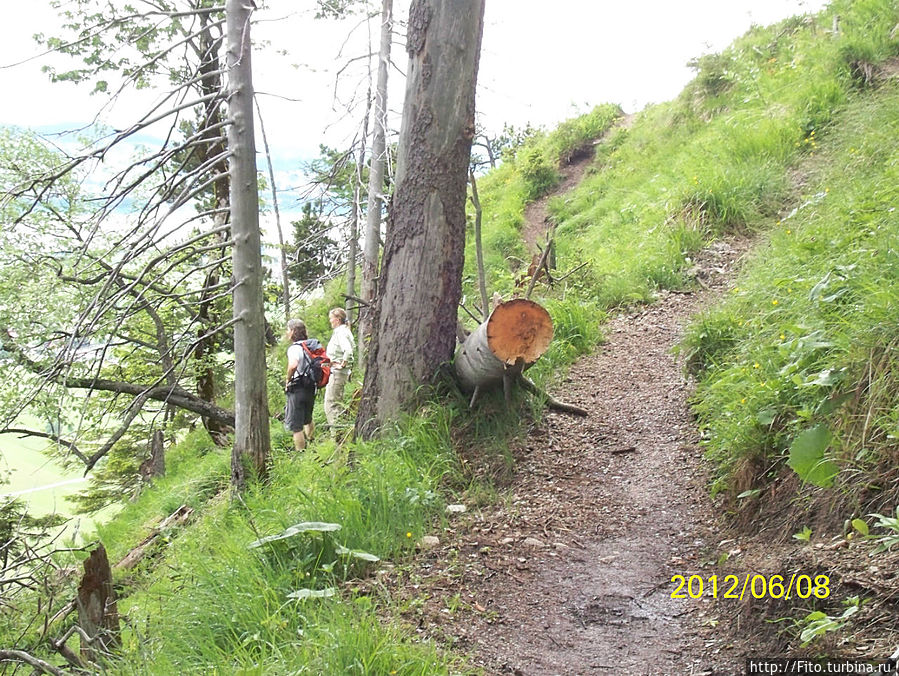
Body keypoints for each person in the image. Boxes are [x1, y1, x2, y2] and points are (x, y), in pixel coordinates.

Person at [284, 318, 320, 450]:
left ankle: (301, 454)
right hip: (311, 386)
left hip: (297, 387)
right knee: (308, 418)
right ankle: (312, 442)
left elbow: (293, 365)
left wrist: (288, 379)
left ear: (293, 331)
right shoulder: (310, 345)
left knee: (296, 426)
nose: (287, 333)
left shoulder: (294, 348)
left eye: (288, 330)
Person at [324, 307, 356, 430]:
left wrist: (343, 364)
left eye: (331, 318)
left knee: (331, 404)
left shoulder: (340, 332)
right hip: (340, 372)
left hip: (337, 372)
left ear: (337, 319)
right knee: (336, 403)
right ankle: (341, 432)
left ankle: (337, 435)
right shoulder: (345, 331)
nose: (330, 321)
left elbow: (348, 350)